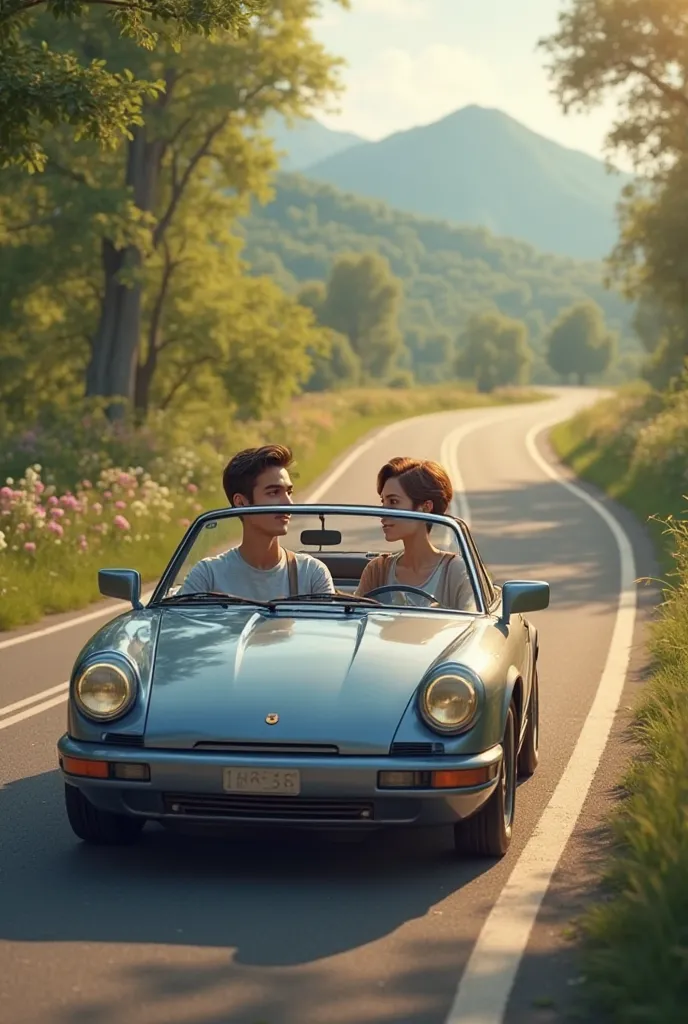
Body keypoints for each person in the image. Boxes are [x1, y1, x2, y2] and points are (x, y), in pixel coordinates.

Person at [180, 444, 335, 600]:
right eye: (274, 492)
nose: (289, 503)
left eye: (289, 492)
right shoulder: (208, 576)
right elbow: (176, 622)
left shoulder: (311, 573)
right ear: (241, 503)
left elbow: (331, 624)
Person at [356, 456, 476, 610]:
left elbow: (473, 625)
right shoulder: (377, 570)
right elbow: (355, 620)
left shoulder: (455, 570)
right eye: (383, 502)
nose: (382, 513)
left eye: (393, 502)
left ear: (425, 508)